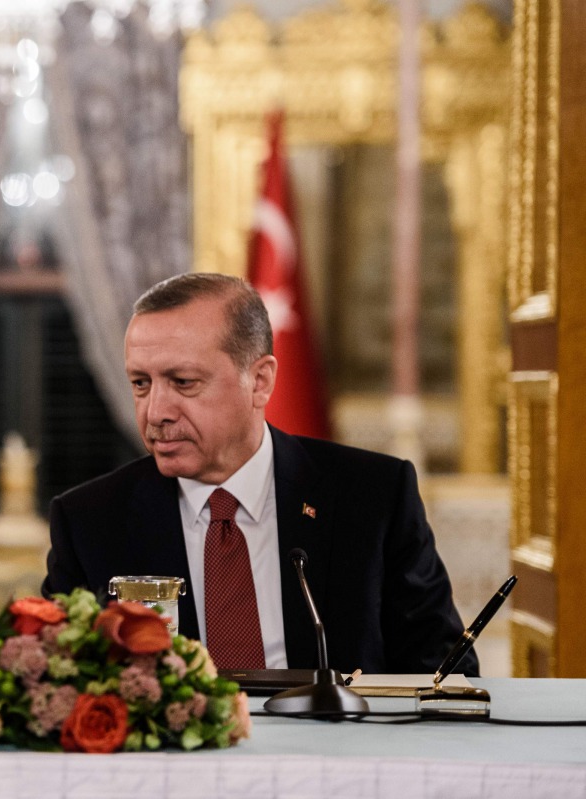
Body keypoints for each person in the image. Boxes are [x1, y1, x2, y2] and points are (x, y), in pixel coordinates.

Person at [42, 273, 475, 675]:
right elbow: (56, 680)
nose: (155, 412)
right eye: (141, 383)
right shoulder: (90, 521)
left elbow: (444, 670)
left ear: (261, 381)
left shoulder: (372, 497)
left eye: (184, 382)